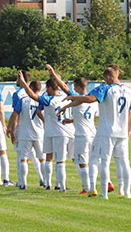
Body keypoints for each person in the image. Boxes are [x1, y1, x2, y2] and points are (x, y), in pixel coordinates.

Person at [61, 67, 131, 199]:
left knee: (104, 161)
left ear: (108, 77)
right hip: (122, 132)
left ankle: (103, 193)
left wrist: (72, 97)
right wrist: (129, 130)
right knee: (124, 162)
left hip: (107, 132)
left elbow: (90, 99)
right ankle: (126, 192)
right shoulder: (129, 91)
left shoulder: (106, 88)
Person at [18, 70, 74, 193]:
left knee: (54, 159)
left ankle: (59, 186)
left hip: (55, 132)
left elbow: (32, 96)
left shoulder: (49, 100)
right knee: (54, 159)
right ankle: (54, 185)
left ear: (49, 88)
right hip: (64, 131)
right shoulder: (69, 97)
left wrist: (23, 83)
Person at [47, 65, 96, 194]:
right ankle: (106, 183)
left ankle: (88, 188)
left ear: (78, 88)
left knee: (82, 163)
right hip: (93, 134)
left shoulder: (76, 97)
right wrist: (71, 120)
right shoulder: (94, 99)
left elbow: (64, 87)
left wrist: (53, 73)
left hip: (81, 135)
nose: (72, 89)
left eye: (74, 87)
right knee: (95, 162)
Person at [7, 70, 44, 188]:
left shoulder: (19, 95)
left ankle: (22, 182)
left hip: (23, 130)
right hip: (38, 132)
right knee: (40, 158)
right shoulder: (42, 98)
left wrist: (12, 130)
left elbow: (15, 114)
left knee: (22, 157)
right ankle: (44, 180)